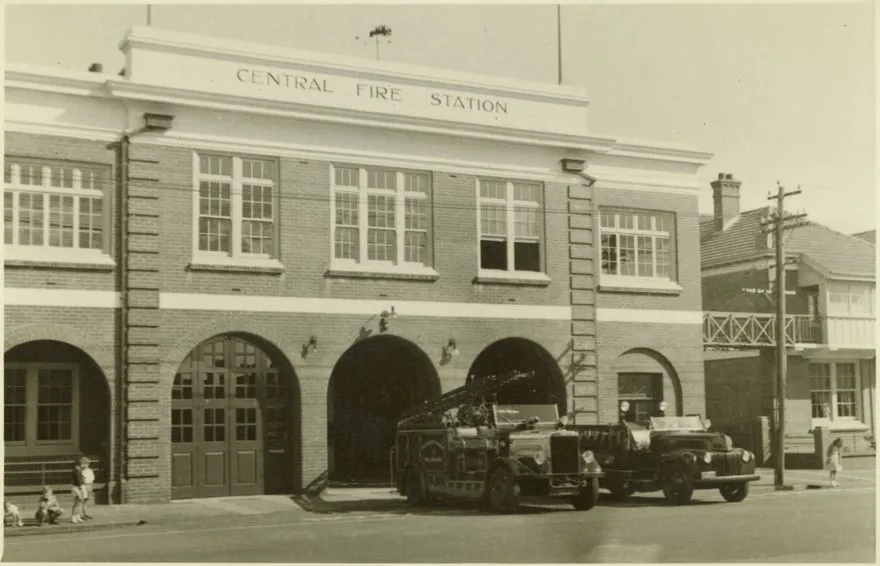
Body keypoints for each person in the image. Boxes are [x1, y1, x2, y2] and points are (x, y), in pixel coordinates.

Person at [71, 457, 86, 523]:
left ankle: (77, 516)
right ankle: (73, 517)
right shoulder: (76, 470)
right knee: (77, 503)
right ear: (79, 464)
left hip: (78, 487)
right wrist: (82, 486)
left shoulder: (78, 470)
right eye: (83, 463)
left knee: (79, 503)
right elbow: (78, 480)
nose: (84, 465)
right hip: (77, 488)